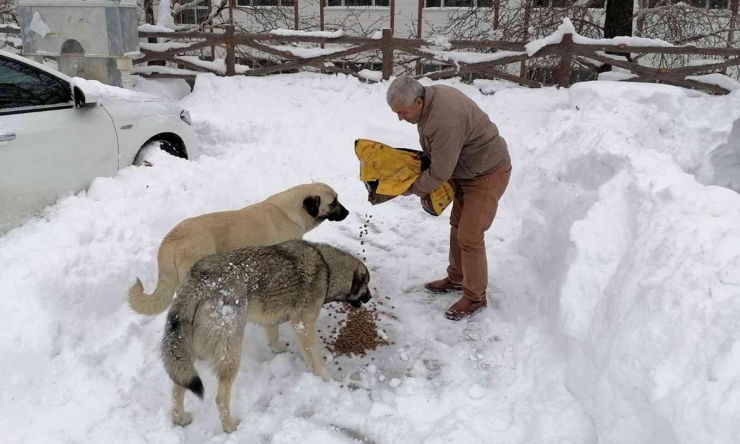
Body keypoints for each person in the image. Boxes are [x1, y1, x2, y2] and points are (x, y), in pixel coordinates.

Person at [386, 76, 512, 321]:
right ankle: (457, 277)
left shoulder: (443, 120)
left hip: (486, 173)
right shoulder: (432, 98)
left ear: (419, 102)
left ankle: (475, 297)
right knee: (457, 226)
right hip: (465, 169)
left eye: (402, 112)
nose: (400, 118)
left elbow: (441, 171)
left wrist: (410, 188)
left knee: (470, 234)